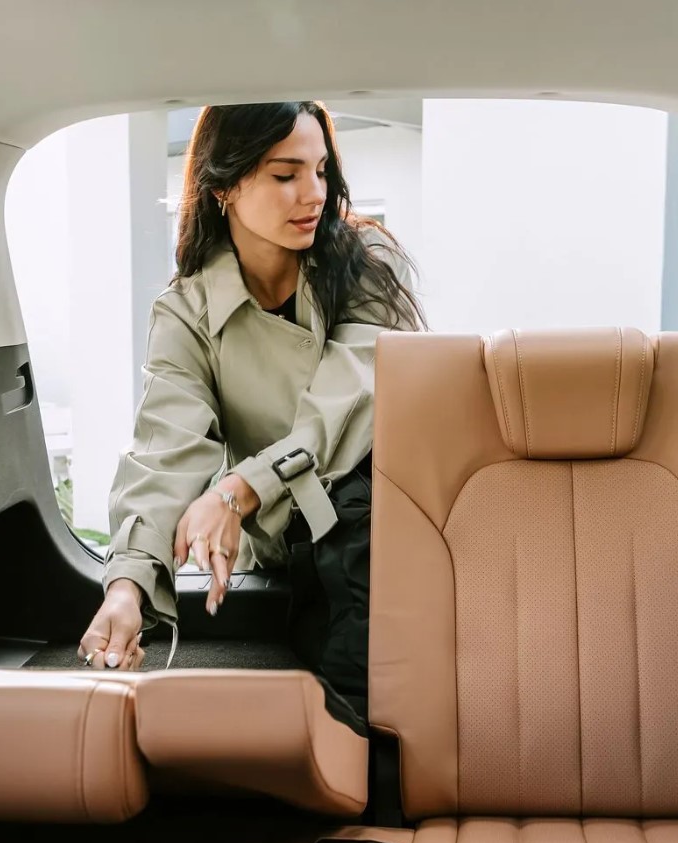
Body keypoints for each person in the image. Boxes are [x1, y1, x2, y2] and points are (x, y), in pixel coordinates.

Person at [77, 101, 424, 713]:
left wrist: (238, 490)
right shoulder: (187, 313)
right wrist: (127, 587)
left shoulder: (367, 263)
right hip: (304, 545)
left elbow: (348, 405)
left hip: (400, 517)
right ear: (224, 187)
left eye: (321, 171)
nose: (314, 194)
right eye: (286, 175)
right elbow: (165, 448)